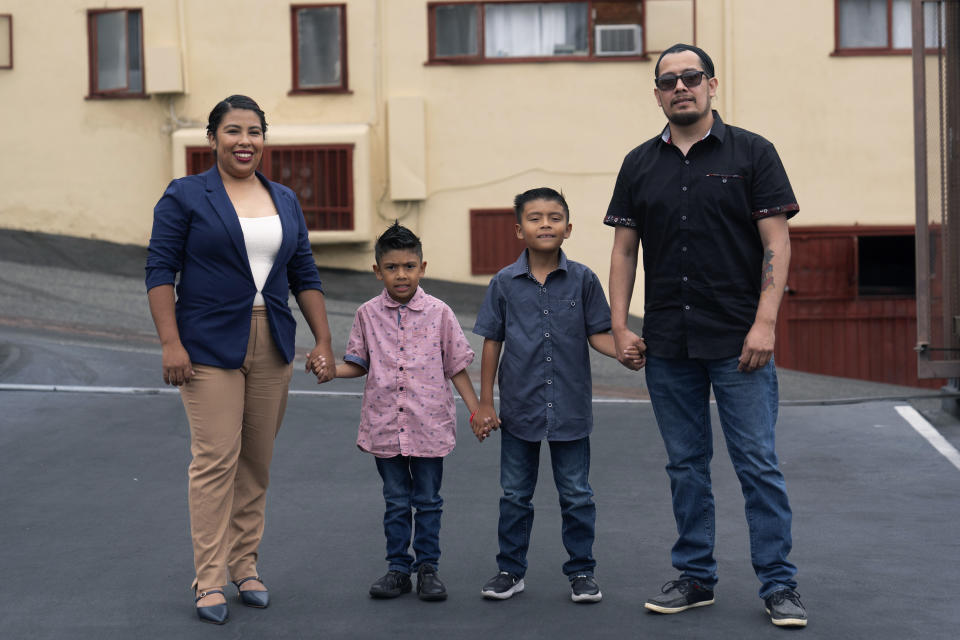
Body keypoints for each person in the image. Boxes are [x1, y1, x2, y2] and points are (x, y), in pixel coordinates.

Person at [604, 44, 807, 627]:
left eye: (691, 77)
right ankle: (696, 578)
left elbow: (777, 243)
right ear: (658, 93)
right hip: (668, 341)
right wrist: (620, 326)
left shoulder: (753, 153)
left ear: (712, 84)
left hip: (740, 340)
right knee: (685, 466)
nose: (680, 87)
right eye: (668, 81)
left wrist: (766, 321)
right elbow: (624, 251)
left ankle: (779, 585)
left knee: (757, 464)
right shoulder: (639, 163)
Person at [145, 95, 336, 625]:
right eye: (232, 131)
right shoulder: (185, 195)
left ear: (263, 140)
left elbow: (306, 275)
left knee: (256, 461)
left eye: (254, 131)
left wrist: (322, 339)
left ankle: (244, 565)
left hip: (271, 340)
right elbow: (160, 271)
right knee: (215, 461)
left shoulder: (285, 199)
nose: (244, 141)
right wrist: (170, 343)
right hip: (206, 344)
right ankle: (209, 579)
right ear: (213, 139)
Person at [472, 187, 643, 604]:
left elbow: (598, 334)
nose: (544, 224)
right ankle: (510, 570)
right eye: (534, 217)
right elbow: (491, 342)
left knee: (577, 494)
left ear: (568, 228)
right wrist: (485, 402)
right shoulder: (503, 284)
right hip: (518, 410)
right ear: (518, 229)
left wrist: (623, 351)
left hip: (570, 409)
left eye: (554, 217)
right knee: (515, 494)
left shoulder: (583, 279)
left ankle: (582, 572)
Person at [308, 222, 482, 602]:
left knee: (429, 501)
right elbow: (358, 362)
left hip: (429, 425)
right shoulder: (367, 315)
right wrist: (331, 370)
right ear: (377, 271)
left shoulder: (440, 313)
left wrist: (477, 411)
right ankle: (398, 569)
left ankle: (428, 569)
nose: (401, 274)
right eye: (391, 267)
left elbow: (457, 366)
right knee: (396, 500)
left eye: (408, 266)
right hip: (386, 426)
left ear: (422, 267)